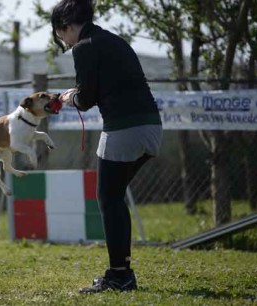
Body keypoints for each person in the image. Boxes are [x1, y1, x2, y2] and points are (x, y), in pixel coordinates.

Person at [51, 0, 163, 293]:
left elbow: (86, 99)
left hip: (124, 127)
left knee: (108, 199)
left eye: (60, 34)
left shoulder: (84, 45)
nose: (63, 40)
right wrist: (79, 94)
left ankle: (119, 276)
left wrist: (67, 98)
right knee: (114, 198)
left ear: (67, 26)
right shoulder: (110, 39)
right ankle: (121, 272)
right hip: (150, 126)